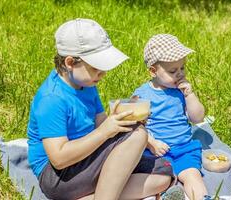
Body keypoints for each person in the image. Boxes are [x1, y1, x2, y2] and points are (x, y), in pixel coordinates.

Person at [27, 18, 179, 200]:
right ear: (69, 62)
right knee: (138, 136)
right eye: (96, 68)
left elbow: (100, 122)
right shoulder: (51, 99)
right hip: (58, 176)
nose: (103, 74)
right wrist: (105, 132)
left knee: (163, 174)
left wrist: (122, 116)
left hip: (86, 158)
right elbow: (59, 159)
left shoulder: (86, 83)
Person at [133, 34, 210, 200]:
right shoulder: (143, 95)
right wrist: (151, 143)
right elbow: (134, 126)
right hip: (155, 153)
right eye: (173, 71)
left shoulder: (181, 91)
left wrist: (189, 95)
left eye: (182, 68)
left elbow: (197, 118)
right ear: (153, 71)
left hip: (184, 149)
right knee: (153, 182)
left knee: (193, 176)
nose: (180, 74)